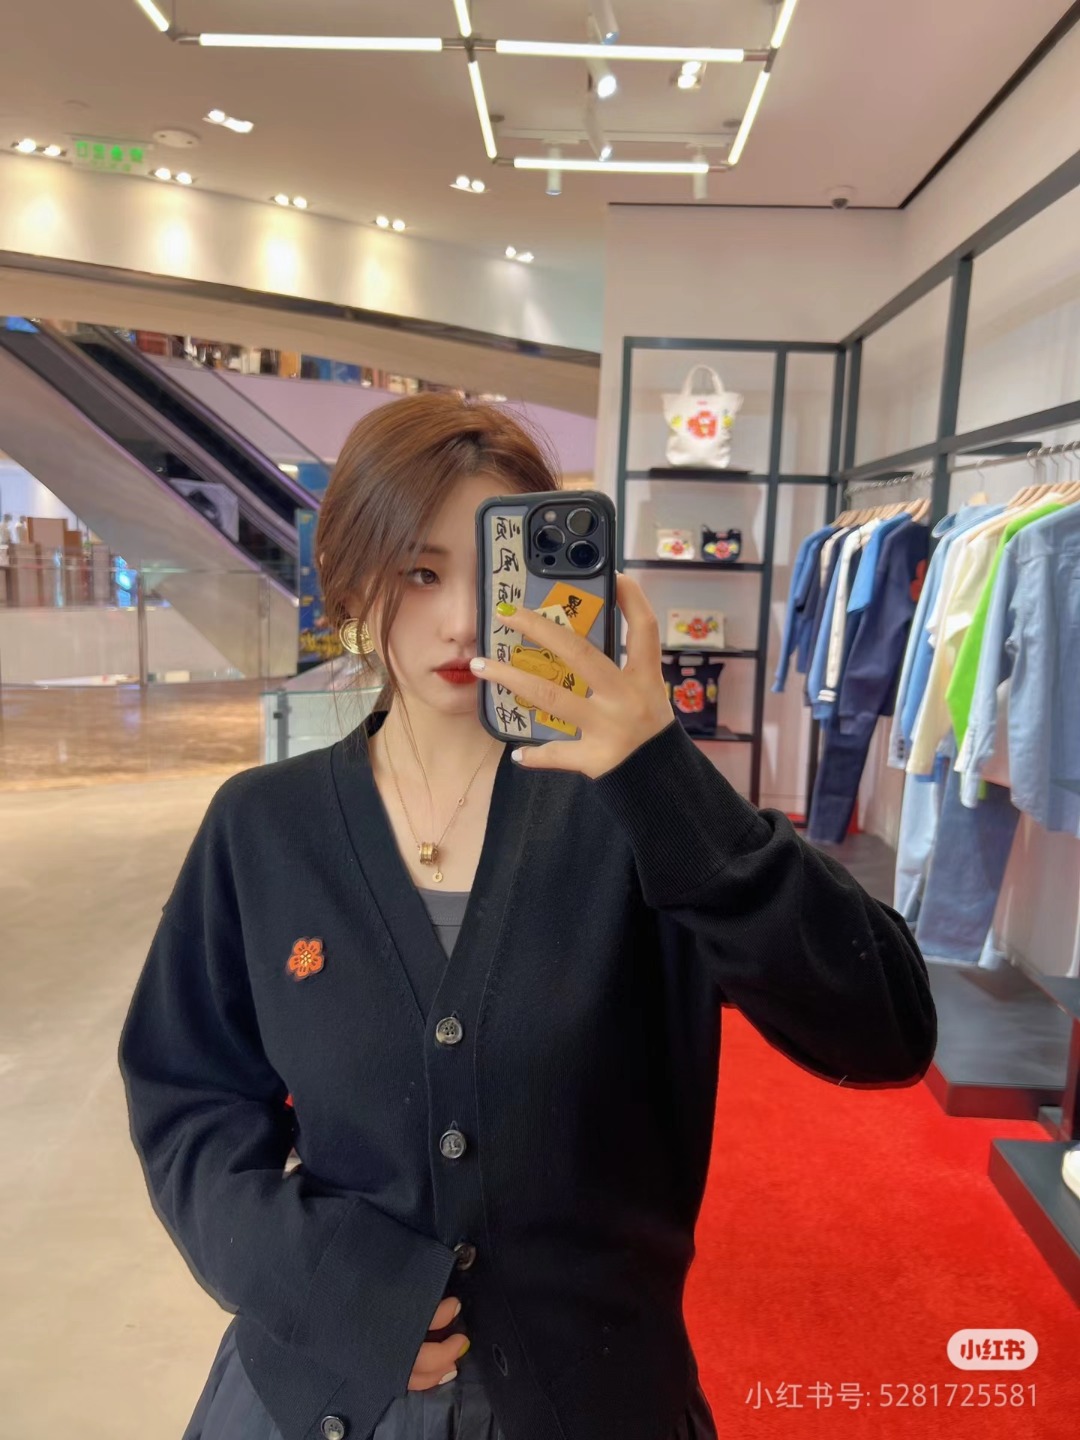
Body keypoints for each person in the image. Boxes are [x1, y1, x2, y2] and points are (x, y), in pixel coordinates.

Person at [118, 394, 937, 1440]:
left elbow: (884, 1031)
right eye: (419, 573)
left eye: (495, 575)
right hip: (320, 1385)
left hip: (595, 1396)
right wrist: (322, 1278)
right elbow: (188, 1102)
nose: (465, 621)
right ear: (352, 579)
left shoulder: (640, 818)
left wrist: (666, 779)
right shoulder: (262, 826)